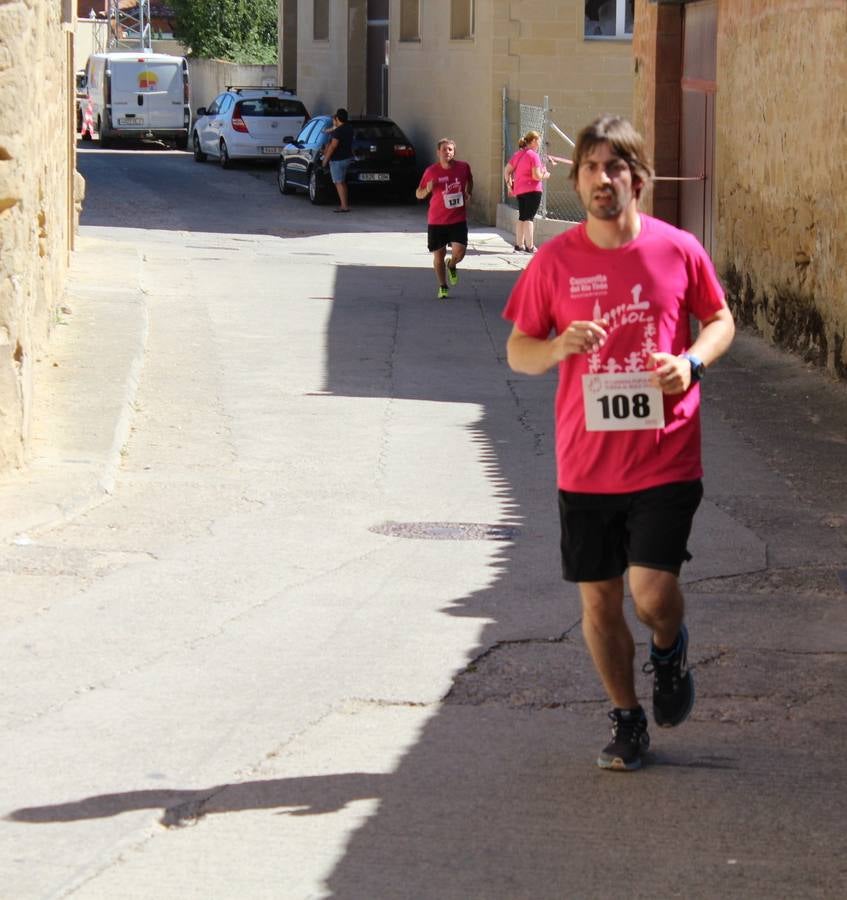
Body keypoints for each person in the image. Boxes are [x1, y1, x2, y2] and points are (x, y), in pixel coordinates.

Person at [502, 115, 735, 772]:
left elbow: (718, 320)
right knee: (599, 601)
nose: (602, 179)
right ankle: (626, 720)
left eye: (614, 167)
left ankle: (668, 648)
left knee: (650, 592)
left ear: (637, 177)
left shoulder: (676, 249)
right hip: (585, 466)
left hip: (665, 452)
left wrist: (689, 363)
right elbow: (518, 351)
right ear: (574, 180)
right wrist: (554, 347)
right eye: (590, 168)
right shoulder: (554, 260)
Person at [416, 138, 473, 300]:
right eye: (444, 149)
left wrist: (469, 192)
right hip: (437, 220)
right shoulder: (431, 171)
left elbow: (470, 180)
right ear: (438, 152)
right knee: (438, 256)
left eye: (450, 149)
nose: (447, 152)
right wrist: (427, 189)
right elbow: (418, 193)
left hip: (458, 218)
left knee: (459, 252)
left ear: (454, 152)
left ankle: (452, 264)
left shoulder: (463, 167)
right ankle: (443, 286)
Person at [504, 130, 550, 253]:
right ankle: (530, 246)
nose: (539, 143)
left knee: (522, 217)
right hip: (533, 190)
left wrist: (509, 186)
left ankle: (519, 245)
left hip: (520, 190)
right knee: (529, 218)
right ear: (534, 141)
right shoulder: (534, 155)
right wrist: (546, 174)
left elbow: (507, 170)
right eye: (539, 140)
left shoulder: (518, 154)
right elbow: (536, 176)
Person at [322, 108, 354, 213]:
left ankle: (344, 206)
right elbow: (333, 128)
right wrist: (331, 129)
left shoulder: (338, 131)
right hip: (347, 158)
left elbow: (333, 146)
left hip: (337, 160)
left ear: (337, 118)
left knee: (338, 182)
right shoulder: (349, 128)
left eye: (334, 118)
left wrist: (325, 159)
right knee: (342, 182)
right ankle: (345, 204)